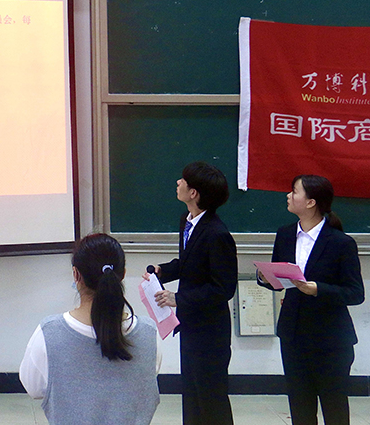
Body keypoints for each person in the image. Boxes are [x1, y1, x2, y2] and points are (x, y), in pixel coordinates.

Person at [19, 233, 161, 425]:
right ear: (123, 274)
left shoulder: (48, 334)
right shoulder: (149, 334)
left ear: (76, 274)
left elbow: (34, 388)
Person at [257, 174, 364, 425]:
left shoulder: (341, 243)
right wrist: (264, 277)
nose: (288, 196)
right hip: (293, 334)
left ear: (311, 202)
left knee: (334, 406)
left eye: (294, 192)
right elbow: (279, 280)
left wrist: (318, 289)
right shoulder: (285, 234)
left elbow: (355, 293)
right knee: (300, 406)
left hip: (331, 339)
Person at [144, 161, 237, 425]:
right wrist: (163, 271)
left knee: (211, 398)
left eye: (183, 181)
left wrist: (178, 299)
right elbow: (189, 264)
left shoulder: (217, 234)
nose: (178, 183)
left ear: (194, 193)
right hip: (191, 324)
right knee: (193, 395)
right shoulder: (188, 221)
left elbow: (223, 288)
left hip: (210, 331)